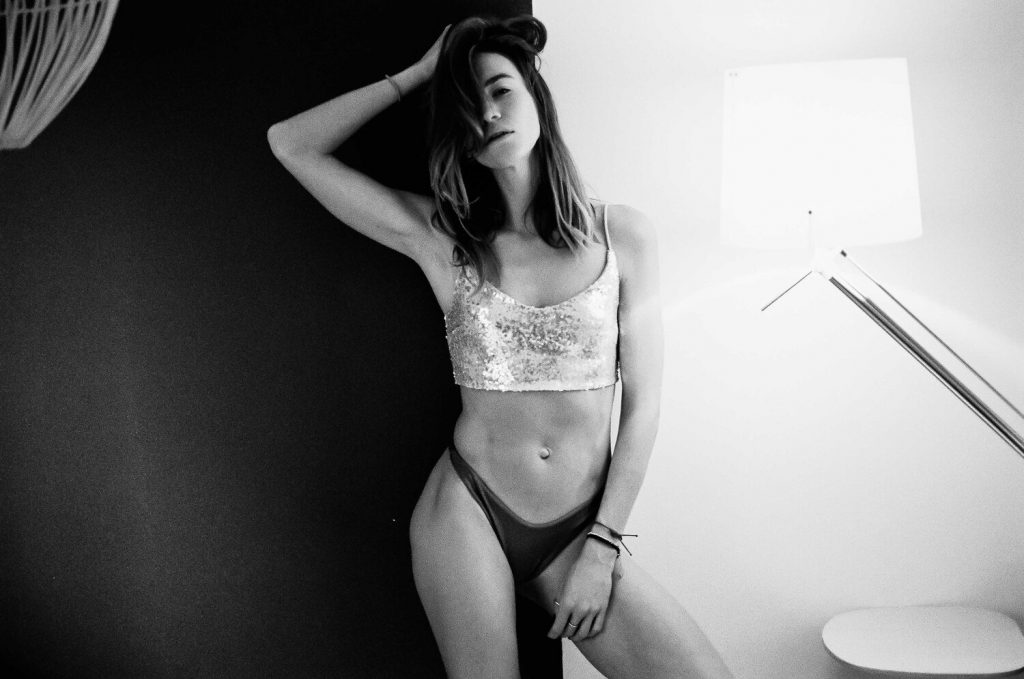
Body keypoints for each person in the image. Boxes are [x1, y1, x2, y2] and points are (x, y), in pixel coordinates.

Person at [267, 14, 733, 679]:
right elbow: (291, 144)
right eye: (465, 106)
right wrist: (419, 74)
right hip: (468, 509)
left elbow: (645, 406)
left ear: (535, 94)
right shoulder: (444, 240)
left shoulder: (623, 236)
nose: (486, 114)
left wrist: (603, 545)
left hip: (579, 529)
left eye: (499, 90)